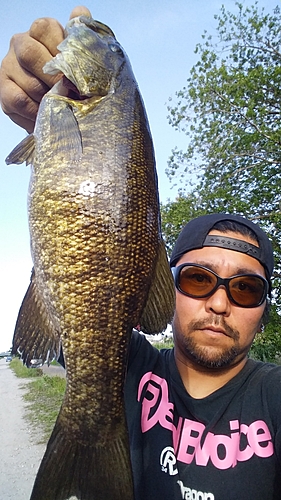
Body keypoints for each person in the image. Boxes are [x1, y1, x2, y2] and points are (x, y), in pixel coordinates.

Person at [1, 8, 280, 500]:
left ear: (265, 307)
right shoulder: (124, 366)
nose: (219, 303)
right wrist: (39, 108)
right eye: (197, 278)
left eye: (245, 288)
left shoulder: (273, 399)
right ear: (166, 282)